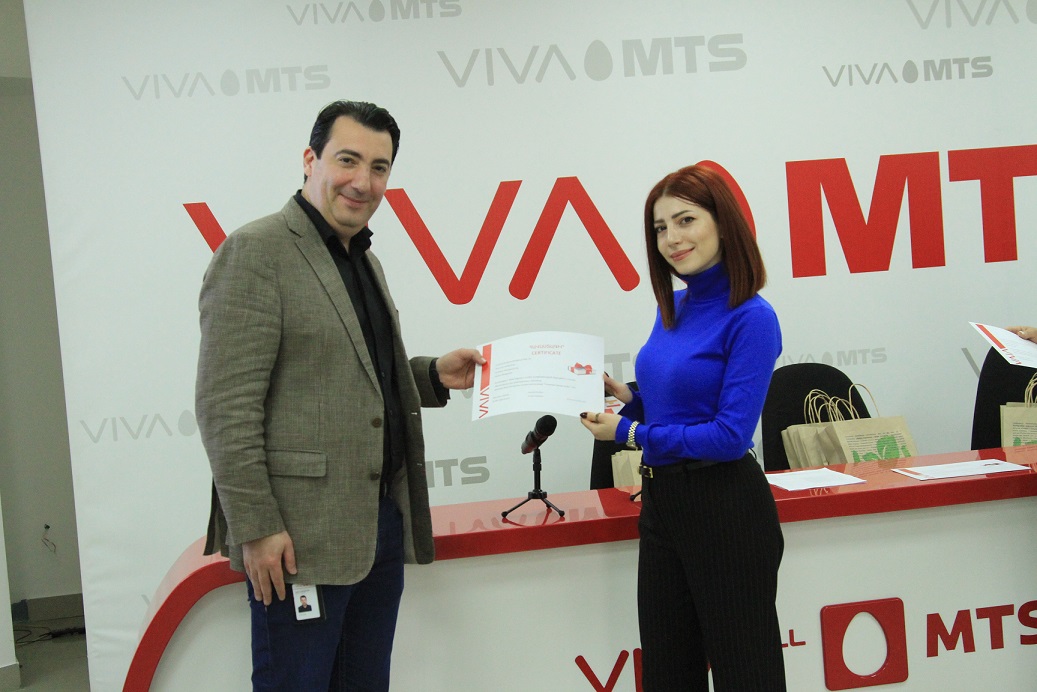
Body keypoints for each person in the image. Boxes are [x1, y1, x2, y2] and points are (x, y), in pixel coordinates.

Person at [195, 99, 484, 691]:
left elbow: (352, 377)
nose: (363, 182)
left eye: (379, 167)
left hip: (377, 527)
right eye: (348, 160)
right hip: (297, 540)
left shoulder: (362, 258)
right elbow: (225, 408)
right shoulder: (257, 251)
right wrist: (257, 527)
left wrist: (433, 376)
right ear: (311, 160)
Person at [580, 164, 786, 690]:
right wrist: (628, 400)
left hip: (726, 508)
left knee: (748, 676)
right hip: (663, 506)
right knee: (668, 674)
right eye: (659, 227)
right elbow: (677, 409)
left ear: (723, 223)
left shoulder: (753, 317)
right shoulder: (673, 305)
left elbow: (728, 436)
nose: (671, 238)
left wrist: (629, 434)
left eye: (685, 220)